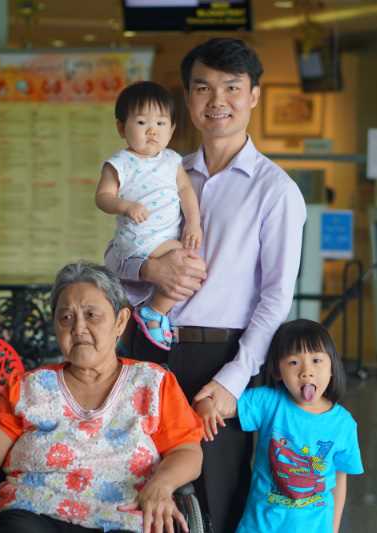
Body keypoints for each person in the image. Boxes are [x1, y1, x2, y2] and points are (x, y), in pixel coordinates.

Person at [106, 38, 307, 531]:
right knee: (134, 495)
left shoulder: (275, 190)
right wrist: (148, 271)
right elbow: (113, 258)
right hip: (146, 349)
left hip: (220, 360)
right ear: (188, 99)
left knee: (216, 505)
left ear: (254, 95)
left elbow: (276, 298)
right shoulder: (159, 170)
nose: (217, 100)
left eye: (232, 88)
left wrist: (232, 383)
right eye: (203, 87)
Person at [0, 262, 204, 533]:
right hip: (31, 514)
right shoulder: (30, 387)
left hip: (123, 517)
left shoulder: (153, 384)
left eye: (91, 315)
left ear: (120, 321)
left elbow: (186, 451)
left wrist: (162, 485)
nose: (78, 328)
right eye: (66, 318)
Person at [195, 319, 364, 533]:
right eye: (294, 362)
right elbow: (221, 402)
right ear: (277, 371)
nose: (306, 372)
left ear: (332, 367)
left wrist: (333, 528)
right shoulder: (269, 402)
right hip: (260, 526)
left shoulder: (344, 424)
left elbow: (340, 478)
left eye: (316, 360)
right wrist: (206, 405)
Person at [96, 81, 202, 351]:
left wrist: (194, 222)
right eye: (142, 122)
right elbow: (103, 197)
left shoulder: (172, 161)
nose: (152, 130)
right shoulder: (119, 162)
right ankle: (154, 312)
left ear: (173, 129)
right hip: (139, 239)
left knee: (188, 266)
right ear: (122, 127)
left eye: (161, 123)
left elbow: (186, 190)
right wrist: (125, 206)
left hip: (164, 238)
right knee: (192, 265)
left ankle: (146, 316)